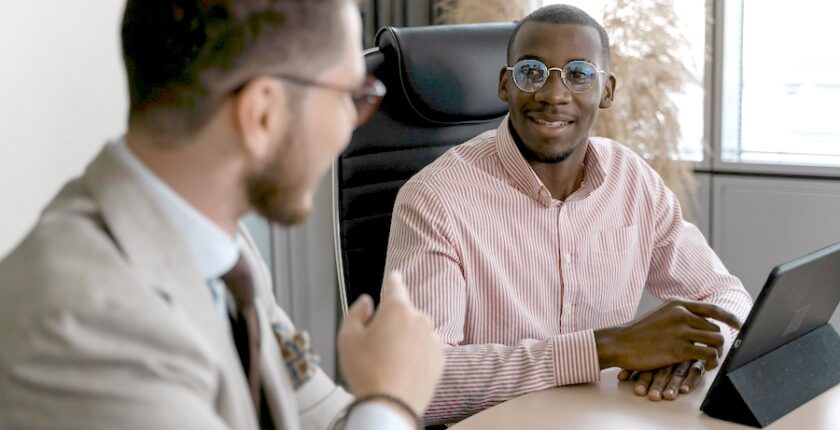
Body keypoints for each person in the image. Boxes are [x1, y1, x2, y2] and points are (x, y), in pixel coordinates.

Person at [0, 1, 442, 429]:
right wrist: (392, 400)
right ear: (263, 114)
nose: (350, 126)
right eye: (350, 96)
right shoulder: (84, 323)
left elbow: (315, 411)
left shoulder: (222, 244)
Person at [384, 4, 752, 425]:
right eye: (531, 72)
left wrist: (692, 351)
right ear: (506, 85)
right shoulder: (435, 199)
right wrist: (602, 349)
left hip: (606, 418)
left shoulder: (632, 179)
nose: (553, 95)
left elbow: (728, 297)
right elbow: (416, 382)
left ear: (607, 91)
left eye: (578, 74)